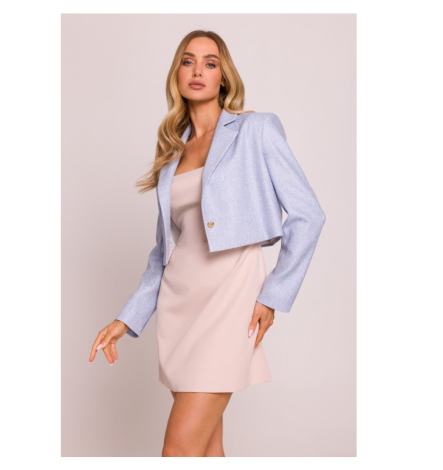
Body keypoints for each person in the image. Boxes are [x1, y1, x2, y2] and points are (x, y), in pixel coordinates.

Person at [89, 30, 326, 457]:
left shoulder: (255, 130)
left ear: (223, 77)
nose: (198, 70)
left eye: (210, 62)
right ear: (177, 74)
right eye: (188, 61)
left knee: (178, 452)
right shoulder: (171, 153)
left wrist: (272, 294)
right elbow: (163, 252)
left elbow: (309, 214)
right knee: (205, 452)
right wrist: (126, 319)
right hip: (179, 305)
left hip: (230, 299)